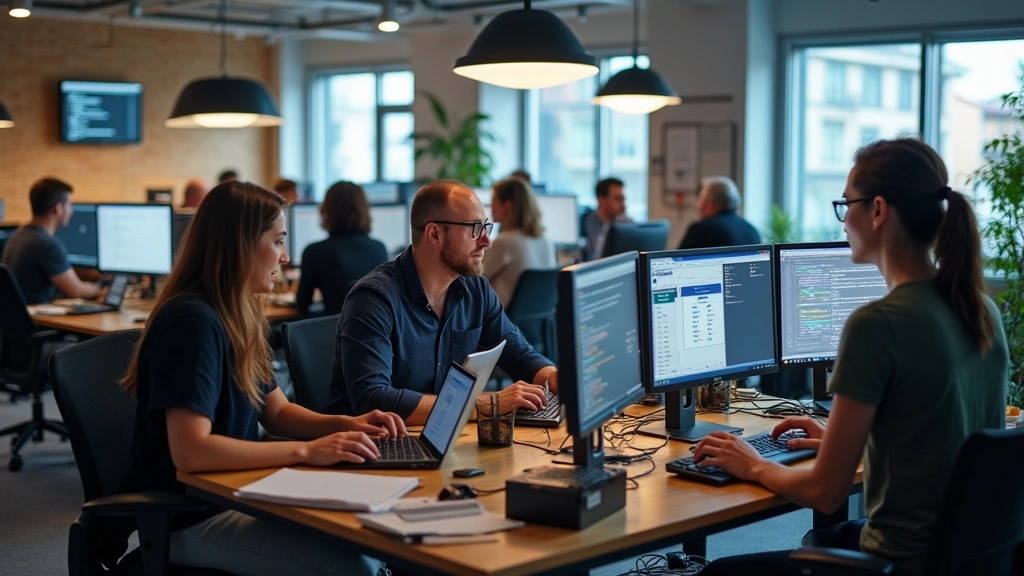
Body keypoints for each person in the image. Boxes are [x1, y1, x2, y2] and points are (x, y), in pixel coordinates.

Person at [694, 138, 1008, 576]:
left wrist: (754, 463)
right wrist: (841, 438)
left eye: (847, 205)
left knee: (717, 573)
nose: (844, 221)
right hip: (962, 558)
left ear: (878, 211)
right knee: (822, 539)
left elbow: (825, 492)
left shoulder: (878, 323)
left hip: (898, 561)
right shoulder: (979, 309)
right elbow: (943, 438)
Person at [119, 180, 405, 576]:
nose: (285, 257)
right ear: (239, 245)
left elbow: (277, 412)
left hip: (241, 493)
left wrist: (346, 424)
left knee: (374, 538)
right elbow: (192, 452)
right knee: (356, 565)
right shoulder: (191, 322)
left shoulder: (237, 315)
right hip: (191, 517)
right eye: (277, 241)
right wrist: (305, 452)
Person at [324, 179, 558, 425]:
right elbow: (373, 399)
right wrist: (485, 404)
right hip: (367, 448)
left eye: (486, 227)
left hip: (438, 439)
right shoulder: (374, 299)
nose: (486, 241)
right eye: (475, 228)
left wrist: (552, 376)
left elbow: (520, 357)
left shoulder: (475, 289)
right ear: (434, 234)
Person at [0, 177, 100, 304]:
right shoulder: (46, 244)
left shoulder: (18, 235)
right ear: (58, 209)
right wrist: (102, 288)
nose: (71, 211)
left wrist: (92, 275)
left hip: (17, 319)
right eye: (69, 205)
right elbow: (76, 291)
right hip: (36, 320)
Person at [296, 181, 388, 315]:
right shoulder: (380, 248)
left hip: (334, 333)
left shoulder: (314, 252)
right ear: (364, 210)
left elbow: (302, 305)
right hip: (376, 331)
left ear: (326, 211)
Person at [482, 177, 555, 307]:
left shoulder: (504, 242)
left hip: (502, 323)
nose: (490, 205)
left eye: (494, 200)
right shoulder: (546, 241)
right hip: (535, 325)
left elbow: (471, 280)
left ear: (507, 205)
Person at [677, 176, 761, 249]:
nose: (697, 205)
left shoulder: (701, 229)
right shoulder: (751, 229)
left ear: (711, 205)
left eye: (700, 200)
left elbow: (677, 261)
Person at [583, 177, 632, 260]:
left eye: (623, 199)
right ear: (601, 199)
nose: (623, 205)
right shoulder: (585, 224)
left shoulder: (627, 224)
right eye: (617, 199)